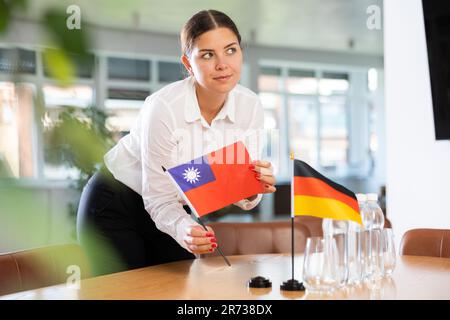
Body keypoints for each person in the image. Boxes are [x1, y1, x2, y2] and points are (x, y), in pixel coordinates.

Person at [77, 9, 276, 276]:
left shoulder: (250, 106)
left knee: (183, 286)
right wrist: (186, 229)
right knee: (128, 291)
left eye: (231, 50)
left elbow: (235, 184)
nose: (222, 64)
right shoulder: (163, 108)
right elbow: (157, 198)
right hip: (115, 202)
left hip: (171, 206)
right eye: (207, 55)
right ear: (187, 63)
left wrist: (253, 185)